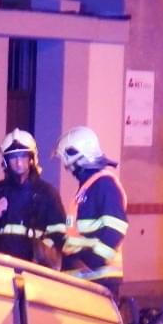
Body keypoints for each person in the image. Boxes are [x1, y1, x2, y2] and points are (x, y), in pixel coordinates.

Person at [0, 129, 66, 267]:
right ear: (5, 161)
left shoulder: (47, 193)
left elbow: (59, 234)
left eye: (23, 156)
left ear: (31, 159)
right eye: (13, 157)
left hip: (34, 268)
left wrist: (41, 251)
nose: (18, 162)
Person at [53, 125, 128, 298]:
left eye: (66, 159)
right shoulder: (89, 187)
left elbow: (115, 230)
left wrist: (91, 261)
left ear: (76, 156)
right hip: (85, 280)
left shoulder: (104, 185)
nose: (66, 166)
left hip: (98, 280)